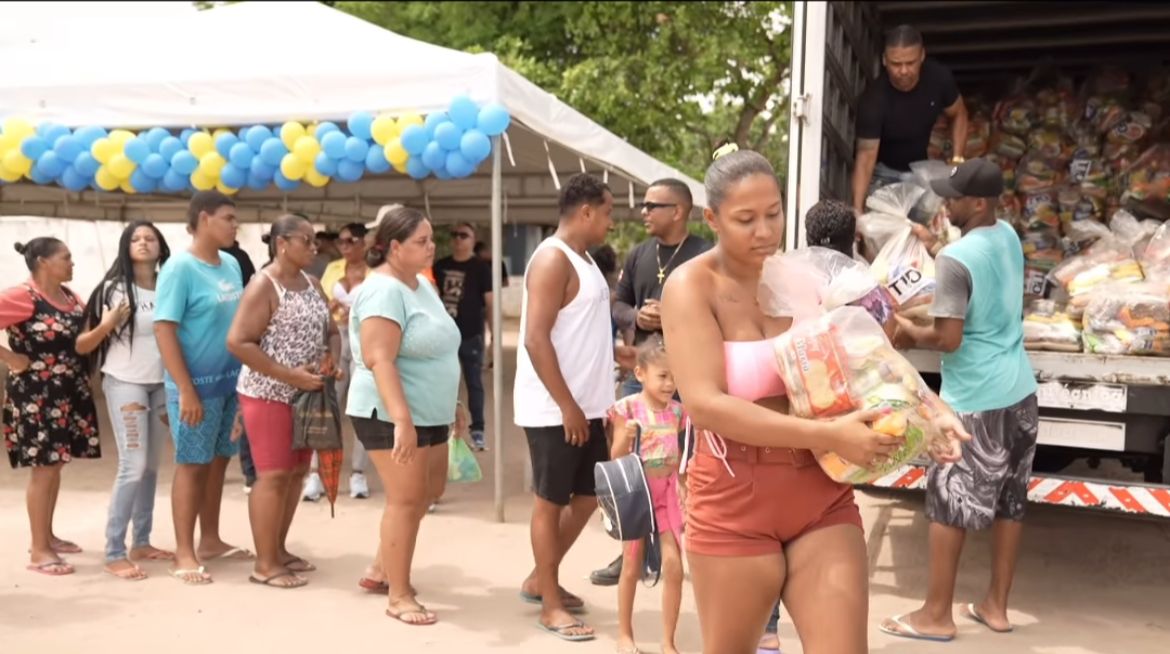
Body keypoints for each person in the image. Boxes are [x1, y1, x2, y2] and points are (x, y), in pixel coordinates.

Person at [659, 145, 967, 654]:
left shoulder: (802, 277)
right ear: (712, 218)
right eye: (745, 219)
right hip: (734, 501)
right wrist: (829, 434)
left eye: (774, 214)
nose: (765, 231)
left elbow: (864, 355)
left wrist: (929, 411)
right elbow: (706, 405)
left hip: (821, 492)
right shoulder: (692, 288)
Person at [881, 158, 1038, 642]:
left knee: (949, 504)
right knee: (1010, 502)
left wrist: (906, 330)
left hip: (975, 400)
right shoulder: (1007, 235)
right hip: (1021, 393)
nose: (944, 205)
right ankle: (996, 605)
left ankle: (935, 616)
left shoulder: (955, 258)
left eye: (953, 198)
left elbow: (948, 339)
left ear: (979, 203)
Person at [514, 173, 634, 642]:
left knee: (586, 498)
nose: (610, 221)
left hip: (590, 406)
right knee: (551, 502)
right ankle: (549, 604)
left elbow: (579, 331)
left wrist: (618, 357)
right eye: (606, 212)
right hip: (555, 409)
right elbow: (534, 338)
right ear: (585, 211)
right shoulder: (551, 259)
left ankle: (538, 578)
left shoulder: (584, 261)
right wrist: (567, 406)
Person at [591, 178, 710, 588]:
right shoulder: (641, 253)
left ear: (678, 211)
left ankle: (688, 550)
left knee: (688, 465)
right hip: (641, 379)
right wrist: (636, 317)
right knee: (629, 464)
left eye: (651, 205)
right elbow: (618, 302)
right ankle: (631, 552)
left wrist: (677, 316)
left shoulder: (704, 255)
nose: (643, 211)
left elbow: (721, 310)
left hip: (689, 378)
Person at [348, 205, 461, 624]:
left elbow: (441, 345)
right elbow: (380, 360)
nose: (431, 248)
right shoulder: (383, 290)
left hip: (429, 410)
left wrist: (455, 404)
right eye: (421, 241)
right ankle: (399, 594)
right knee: (406, 499)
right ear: (393, 247)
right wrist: (402, 421)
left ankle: (381, 567)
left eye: (432, 240)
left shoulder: (420, 285)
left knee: (430, 490)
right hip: (389, 411)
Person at [759, 198, 858, 649]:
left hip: (782, 411)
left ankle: (768, 628)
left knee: (771, 523)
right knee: (817, 523)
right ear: (851, 237)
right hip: (835, 419)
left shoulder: (783, 270)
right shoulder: (858, 277)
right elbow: (884, 337)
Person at [228, 214, 340, 590]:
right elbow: (238, 341)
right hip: (268, 393)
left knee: (295, 474)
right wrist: (288, 374)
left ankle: (277, 549)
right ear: (281, 244)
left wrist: (331, 359)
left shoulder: (311, 283)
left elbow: (333, 330)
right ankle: (265, 563)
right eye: (306, 241)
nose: (314, 247)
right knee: (273, 474)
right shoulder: (263, 285)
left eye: (314, 241)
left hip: (304, 394)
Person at [154, 190, 250, 585]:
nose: (234, 225)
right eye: (228, 217)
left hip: (229, 384)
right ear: (205, 218)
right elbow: (164, 329)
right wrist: (185, 389)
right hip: (195, 387)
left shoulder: (229, 263)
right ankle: (184, 551)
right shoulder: (179, 269)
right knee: (191, 466)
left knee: (217, 463)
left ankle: (210, 539)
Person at [76, 221, 174, 580]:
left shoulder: (170, 285)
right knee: (132, 465)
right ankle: (114, 550)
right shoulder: (113, 290)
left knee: (150, 466)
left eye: (150, 238)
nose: (144, 243)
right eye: (136, 238)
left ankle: (142, 541)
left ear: (161, 247)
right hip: (126, 384)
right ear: (125, 246)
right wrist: (108, 323)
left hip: (161, 384)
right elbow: (83, 344)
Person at [1, 238, 99, 577]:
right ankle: (39, 549)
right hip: (36, 395)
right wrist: (10, 357)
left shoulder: (70, 296)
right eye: (66, 257)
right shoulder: (22, 296)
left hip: (68, 391)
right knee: (43, 469)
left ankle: (48, 536)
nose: (73, 263)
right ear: (43, 262)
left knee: (55, 466)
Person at [611, 338, 687, 654]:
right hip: (639, 493)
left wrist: (685, 484)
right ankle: (624, 634)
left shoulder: (678, 412)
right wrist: (625, 438)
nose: (670, 383)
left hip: (668, 493)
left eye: (674, 376)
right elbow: (615, 456)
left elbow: (679, 454)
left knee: (674, 567)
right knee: (631, 565)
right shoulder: (627, 409)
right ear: (640, 374)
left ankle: (668, 640)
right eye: (662, 376)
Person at [852, 24, 968, 217]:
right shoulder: (873, 100)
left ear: (922, 55)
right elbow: (865, 158)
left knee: (932, 231)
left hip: (922, 171)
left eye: (911, 63)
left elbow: (959, 113)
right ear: (884, 60)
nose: (904, 71)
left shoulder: (939, 78)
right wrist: (857, 209)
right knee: (883, 237)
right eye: (896, 64)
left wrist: (957, 160)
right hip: (884, 174)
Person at [304, 221, 373, 501]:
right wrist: (330, 307)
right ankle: (316, 474)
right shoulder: (332, 269)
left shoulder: (375, 274)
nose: (344, 246)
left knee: (362, 409)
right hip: (334, 338)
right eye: (341, 242)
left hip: (364, 338)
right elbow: (316, 303)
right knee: (326, 409)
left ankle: (358, 473)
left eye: (350, 241)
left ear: (364, 243)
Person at [433, 222, 493, 452]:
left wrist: (492, 337)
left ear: (472, 239)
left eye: (463, 235)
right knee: (443, 384)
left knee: (474, 383)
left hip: (470, 336)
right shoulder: (440, 266)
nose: (458, 239)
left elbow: (490, 303)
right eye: (454, 235)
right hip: (442, 337)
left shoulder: (481, 268)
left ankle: (477, 431)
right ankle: (442, 428)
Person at [223, 238, 259, 494]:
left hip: (240, 358)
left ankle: (250, 472)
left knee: (243, 415)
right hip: (224, 359)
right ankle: (250, 472)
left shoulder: (239, 260)